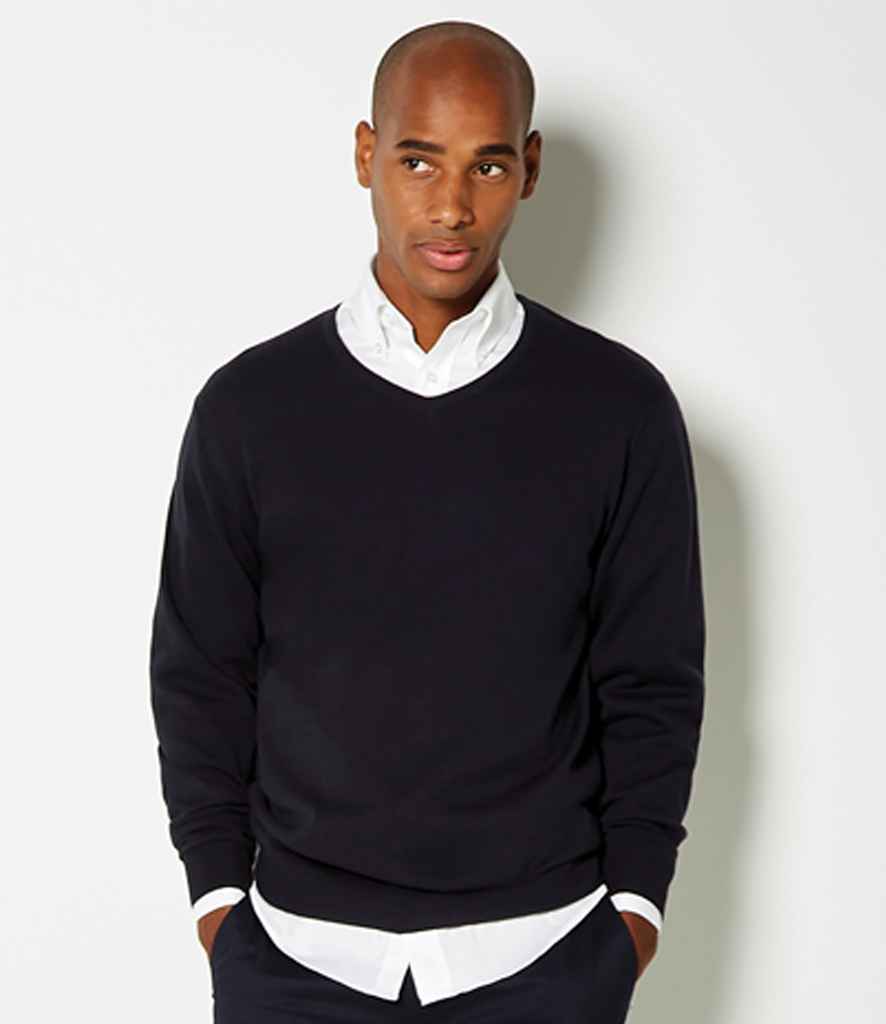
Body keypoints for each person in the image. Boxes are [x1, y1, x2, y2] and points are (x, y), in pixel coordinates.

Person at [149, 19, 706, 1024]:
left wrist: (633, 913)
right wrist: (218, 903)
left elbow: (651, 679)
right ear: (366, 154)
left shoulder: (619, 408)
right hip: (295, 959)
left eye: (488, 165)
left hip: (546, 955)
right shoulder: (249, 408)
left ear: (530, 168)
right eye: (418, 160)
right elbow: (201, 672)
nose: (452, 206)